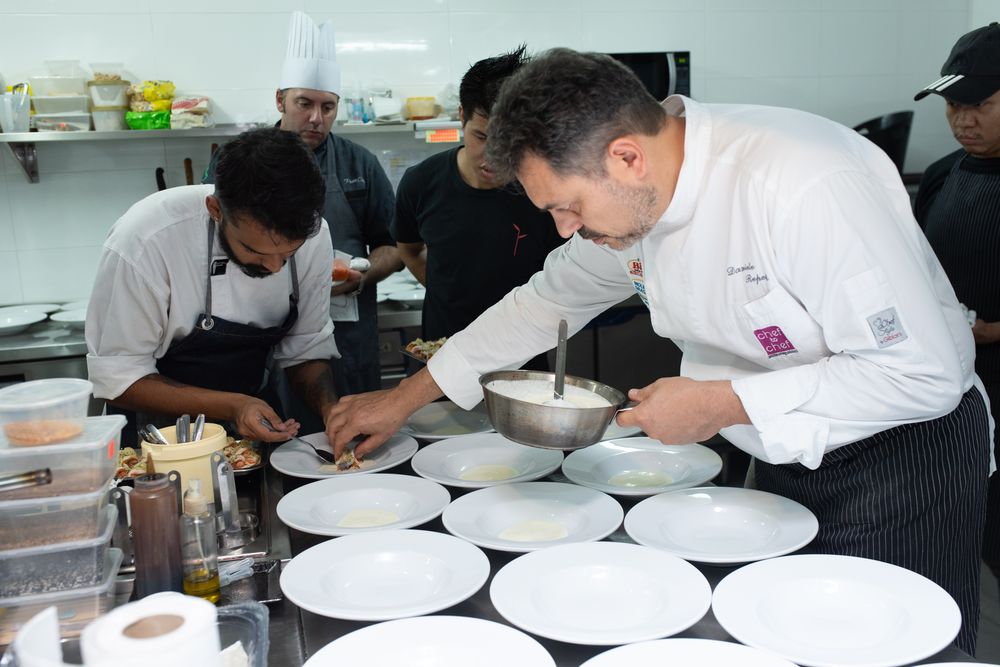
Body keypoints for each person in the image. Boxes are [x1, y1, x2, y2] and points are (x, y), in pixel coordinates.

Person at [325, 48, 993, 653]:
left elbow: (924, 373)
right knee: (792, 637)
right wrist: (403, 397)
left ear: (625, 157)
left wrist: (723, 400)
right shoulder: (638, 197)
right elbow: (543, 302)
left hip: (905, 460)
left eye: (569, 206)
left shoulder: (800, 181)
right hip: (784, 455)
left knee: (887, 646)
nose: (565, 229)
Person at [87, 127, 340, 446]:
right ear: (215, 210)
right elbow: (119, 379)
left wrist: (331, 410)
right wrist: (234, 406)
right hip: (153, 439)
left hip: (249, 428)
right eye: (255, 251)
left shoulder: (315, 237)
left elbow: (305, 347)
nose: (275, 267)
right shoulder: (147, 239)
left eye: (288, 254)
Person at [204, 11, 401, 400]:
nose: (316, 118)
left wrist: (362, 275)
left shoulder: (359, 163)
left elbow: (394, 246)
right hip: (260, 325)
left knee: (345, 425)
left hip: (344, 330)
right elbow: (211, 241)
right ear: (280, 100)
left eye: (327, 107)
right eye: (304, 103)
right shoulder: (240, 159)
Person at [392, 46, 564, 369]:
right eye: (481, 136)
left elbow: (564, 273)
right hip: (441, 359)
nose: (493, 156)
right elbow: (408, 248)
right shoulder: (421, 184)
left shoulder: (542, 191)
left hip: (521, 363)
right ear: (461, 116)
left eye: (507, 139)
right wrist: (448, 288)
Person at [913, 22, 1000, 595]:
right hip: (954, 392)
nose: (962, 120)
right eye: (953, 105)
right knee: (958, 537)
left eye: (981, 106)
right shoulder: (945, 173)